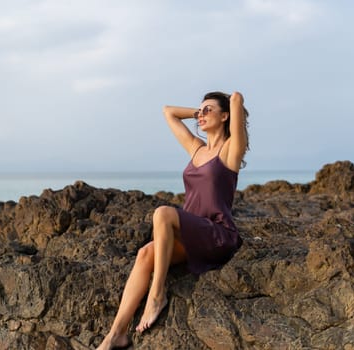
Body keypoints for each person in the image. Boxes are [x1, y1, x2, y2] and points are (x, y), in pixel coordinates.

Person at [97, 91, 249, 349]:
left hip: (218, 235)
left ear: (225, 116)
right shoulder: (196, 148)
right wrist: (199, 111)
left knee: (163, 213)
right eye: (200, 111)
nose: (201, 115)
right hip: (192, 233)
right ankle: (116, 335)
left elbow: (235, 99)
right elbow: (168, 111)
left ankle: (156, 295)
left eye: (209, 110)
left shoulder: (230, 151)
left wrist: (233, 101)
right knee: (145, 254)